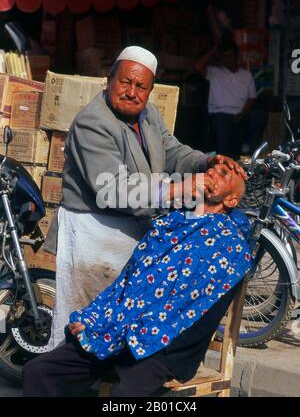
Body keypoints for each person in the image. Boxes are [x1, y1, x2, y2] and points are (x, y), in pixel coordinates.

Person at [46, 45, 246, 349]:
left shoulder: (148, 114)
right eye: (125, 82)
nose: (131, 92)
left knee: (115, 328)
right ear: (109, 80)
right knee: (81, 325)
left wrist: (207, 161)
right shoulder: (93, 122)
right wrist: (178, 188)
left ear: (150, 91)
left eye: (141, 86)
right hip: (92, 233)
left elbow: (171, 150)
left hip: (132, 228)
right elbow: (112, 189)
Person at [23, 163, 252, 397]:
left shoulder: (230, 246)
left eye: (224, 174)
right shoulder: (171, 223)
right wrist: (96, 318)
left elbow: (198, 312)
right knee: (38, 371)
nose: (212, 172)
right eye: (212, 168)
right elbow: (127, 283)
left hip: (166, 347)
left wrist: (145, 331)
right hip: (117, 331)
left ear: (231, 201)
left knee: (124, 397)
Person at [196, 39, 268, 159]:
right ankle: (224, 160)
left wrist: (243, 113)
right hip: (220, 114)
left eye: (230, 56)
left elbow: (252, 98)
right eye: (224, 56)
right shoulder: (214, 72)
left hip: (241, 114)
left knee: (260, 116)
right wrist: (214, 49)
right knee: (221, 126)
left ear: (236, 56)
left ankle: (247, 148)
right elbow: (198, 66)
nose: (227, 59)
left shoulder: (246, 75)